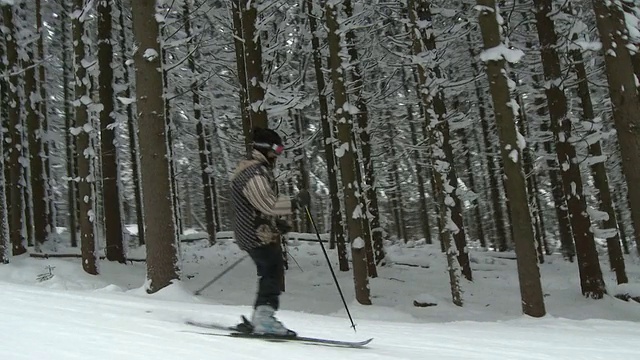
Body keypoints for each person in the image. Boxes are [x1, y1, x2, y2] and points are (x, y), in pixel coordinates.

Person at [230, 127, 310, 337]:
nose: (278, 154)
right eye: (277, 149)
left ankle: (261, 316)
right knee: (272, 270)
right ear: (265, 148)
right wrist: (294, 203)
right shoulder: (252, 173)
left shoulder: (258, 170)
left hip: (258, 230)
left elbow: (259, 206)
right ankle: (264, 319)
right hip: (254, 233)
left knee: (270, 270)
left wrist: (277, 224)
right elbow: (267, 204)